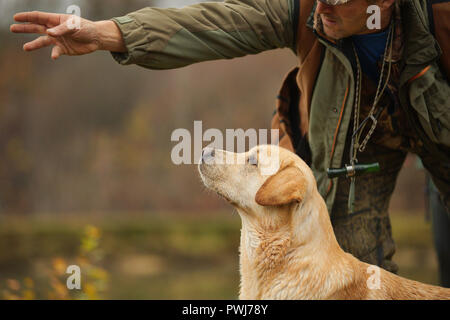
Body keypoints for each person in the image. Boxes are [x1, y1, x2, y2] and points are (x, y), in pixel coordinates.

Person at [10, 0, 450, 274]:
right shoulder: (304, 9)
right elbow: (217, 23)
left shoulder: (440, 18)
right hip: (352, 144)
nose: (323, 9)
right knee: (349, 268)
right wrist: (112, 34)